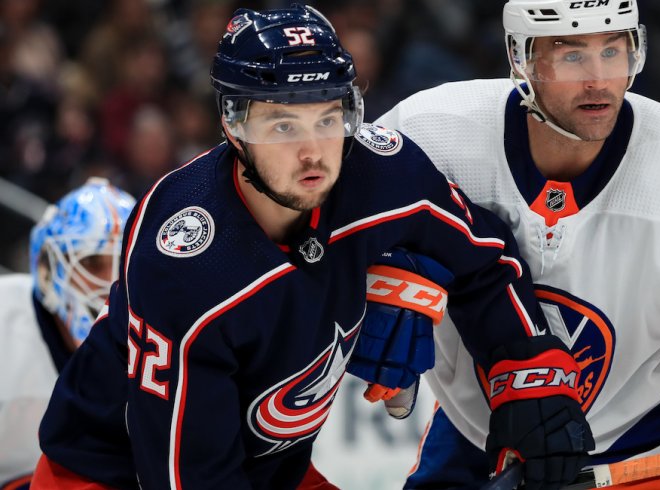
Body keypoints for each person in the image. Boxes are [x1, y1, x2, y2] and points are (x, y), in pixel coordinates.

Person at [32, 5, 592, 490]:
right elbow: (184, 473)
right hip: (110, 474)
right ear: (232, 124)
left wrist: (528, 372)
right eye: (282, 126)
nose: (314, 153)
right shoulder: (185, 265)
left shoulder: (382, 175)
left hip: (269, 467)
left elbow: (484, 257)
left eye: (328, 117)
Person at [354, 1, 660, 489]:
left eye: (613, 50)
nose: (599, 79)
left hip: (646, 439)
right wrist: (390, 266)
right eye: (571, 55)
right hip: (484, 432)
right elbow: (321, 226)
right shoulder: (431, 132)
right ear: (522, 57)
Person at [0, 177, 135, 488]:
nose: (110, 281)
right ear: (48, 268)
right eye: (92, 262)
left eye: (122, 262)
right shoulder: (6, 322)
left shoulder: (157, 338)